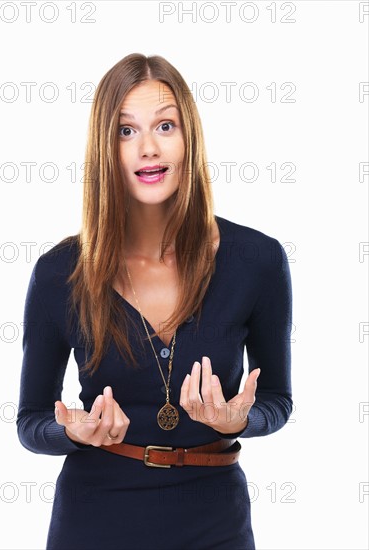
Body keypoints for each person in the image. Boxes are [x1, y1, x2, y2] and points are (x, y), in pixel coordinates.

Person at [16, 52, 293, 550]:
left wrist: (241, 420)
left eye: (165, 125)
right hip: (94, 520)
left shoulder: (258, 260)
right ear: (106, 148)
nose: (147, 147)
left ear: (188, 138)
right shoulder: (59, 272)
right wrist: (74, 432)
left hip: (215, 521)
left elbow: (277, 400)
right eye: (126, 131)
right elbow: (31, 420)